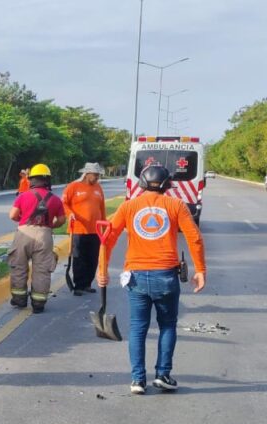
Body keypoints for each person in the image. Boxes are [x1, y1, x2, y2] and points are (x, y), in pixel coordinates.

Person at [98, 165, 206, 395]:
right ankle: (163, 375)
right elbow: (194, 237)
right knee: (167, 325)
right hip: (166, 275)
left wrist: (102, 269)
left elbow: (108, 238)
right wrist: (200, 270)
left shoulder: (128, 206)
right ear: (167, 185)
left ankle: (138, 380)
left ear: (142, 183)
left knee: (138, 327)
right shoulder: (176, 205)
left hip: (136, 276)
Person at [8, 163, 66, 312]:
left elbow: (13, 215)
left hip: (23, 234)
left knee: (19, 267)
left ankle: (19, 300)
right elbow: (61, 220)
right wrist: (50, 226)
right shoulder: (55, 199)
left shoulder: (23, 196)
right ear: (47, 180)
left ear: (31, 180)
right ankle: (38, 304)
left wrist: (23, 220)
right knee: (41, 270)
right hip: (44, 236)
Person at [63, 162, 107, 295]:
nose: (97, 177)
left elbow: (102, 207)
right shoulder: (73, 186)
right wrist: (70, 214)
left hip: (95, 230)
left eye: (98, 175)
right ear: (87, 174)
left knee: (92, 258)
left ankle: (87, 283)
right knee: (79, 258)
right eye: (95, 175)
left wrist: (104, 226)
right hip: (78, 229)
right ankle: (79, 285)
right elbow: (64, 203)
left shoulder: (98, 188)